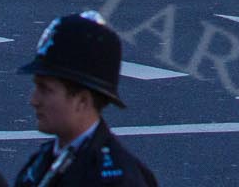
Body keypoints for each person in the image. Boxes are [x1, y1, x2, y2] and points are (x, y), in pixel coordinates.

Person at [12, 12, 158, 187]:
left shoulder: (117, 180)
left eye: (45, 89)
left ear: (82, 101)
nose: (33, 100)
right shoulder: (44, 161)